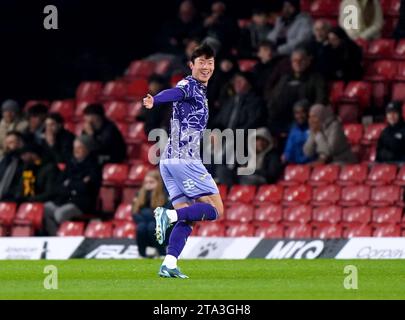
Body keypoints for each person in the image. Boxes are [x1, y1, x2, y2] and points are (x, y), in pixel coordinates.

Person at [142, 43, 224, 279]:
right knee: (215, 209)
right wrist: (156, 100)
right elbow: (174, 93)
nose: (206, 67)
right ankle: (168, 215)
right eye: (201, 62)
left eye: (210, 62)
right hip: (184, 159)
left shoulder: (200, 89)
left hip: (169, 160)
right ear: (192, 65)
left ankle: (169, 263)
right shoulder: (189, 85)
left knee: (189, 216)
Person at [43, 136, 101, 236]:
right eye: (74, 148)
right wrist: (75, 185)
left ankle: (66, 236)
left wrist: (69, 184)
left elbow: (86, 189)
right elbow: (58, 185)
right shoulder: (70, 164)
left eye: (79, 148)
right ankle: (55, 236)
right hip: (64, 199)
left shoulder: (94, 166)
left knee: (59, 214)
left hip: (82, 203)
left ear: (87, 149)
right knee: (45, 208)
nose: (76, 151)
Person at [266, 48, 327, 136]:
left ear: (307, 61)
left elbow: (320, 100)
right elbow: (275, 98)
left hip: (303, 118)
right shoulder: (285, 78)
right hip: (281, 117)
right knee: (256, 131)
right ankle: (240, 149)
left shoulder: (316, 78)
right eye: (294, 61)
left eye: (301, 60)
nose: (297, 63)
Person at [132, 170, 171, 258]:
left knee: (152, 226)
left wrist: (145, 214)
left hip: (163, 228)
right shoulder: (139, 194)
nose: (148, 184)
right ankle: (142, 254)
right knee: (141, 227)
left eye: (151, 182)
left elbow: (164, 214)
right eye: (146, 182)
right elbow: (135, 214)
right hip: (146, 225)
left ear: (158, 183)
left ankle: (162, 253)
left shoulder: (165, 195)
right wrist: (149, 215)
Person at [283, 100, 314, 164]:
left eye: (303, 112)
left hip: (312, 165)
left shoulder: (314, 129)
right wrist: (286, 156)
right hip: (296, 165)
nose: (300, 116)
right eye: (297, 113)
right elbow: (289, 150)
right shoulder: (294, 130)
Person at [0, 131, 24, 200]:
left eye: (11, 142)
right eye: (7, 143)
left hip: (14, 200)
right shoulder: (4, 160)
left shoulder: (24, 162)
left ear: (20, 143)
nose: (8, 146)